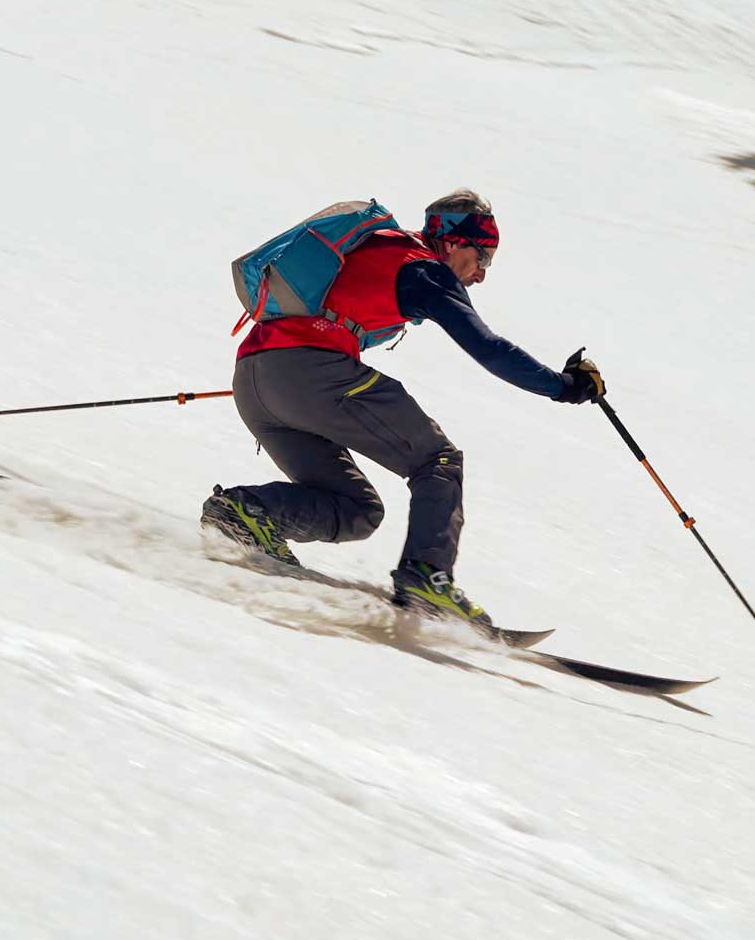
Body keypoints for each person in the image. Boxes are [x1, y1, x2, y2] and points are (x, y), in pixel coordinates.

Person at [202, 189, 606, 626]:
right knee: (439, 460)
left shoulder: (382, 249)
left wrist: (289, 381)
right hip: (311, 374)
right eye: (483, 257)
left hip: (255, 379)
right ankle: (427, 578)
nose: (481, 274)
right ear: (453, 242)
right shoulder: (424, 271)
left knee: (357, 510)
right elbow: (488, 348)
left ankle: (251, 511)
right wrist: (564, 386)